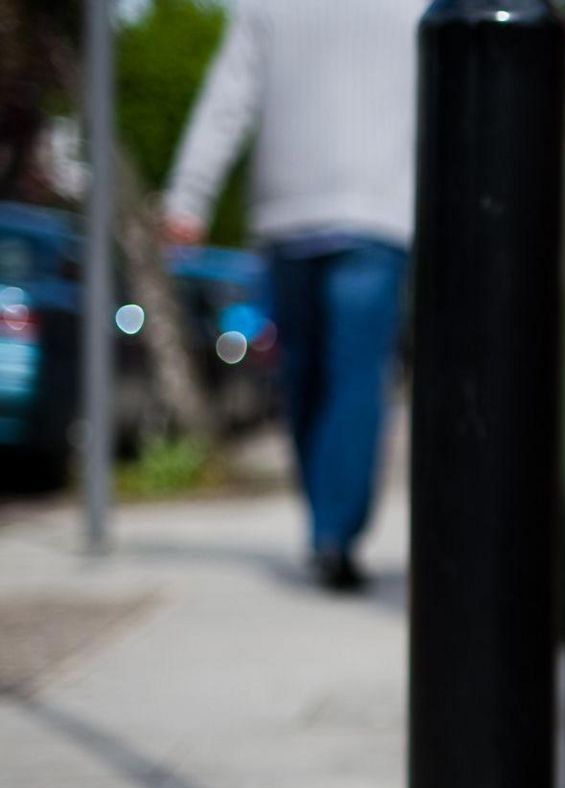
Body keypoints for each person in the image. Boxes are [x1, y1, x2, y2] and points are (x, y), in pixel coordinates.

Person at [163, 0, 427, 592]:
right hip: (370, 212)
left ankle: (327, 529)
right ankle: (335, 531)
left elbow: (227, 95)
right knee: (350, 380)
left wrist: (189, 196)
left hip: (312, 214)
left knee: (311, 379)